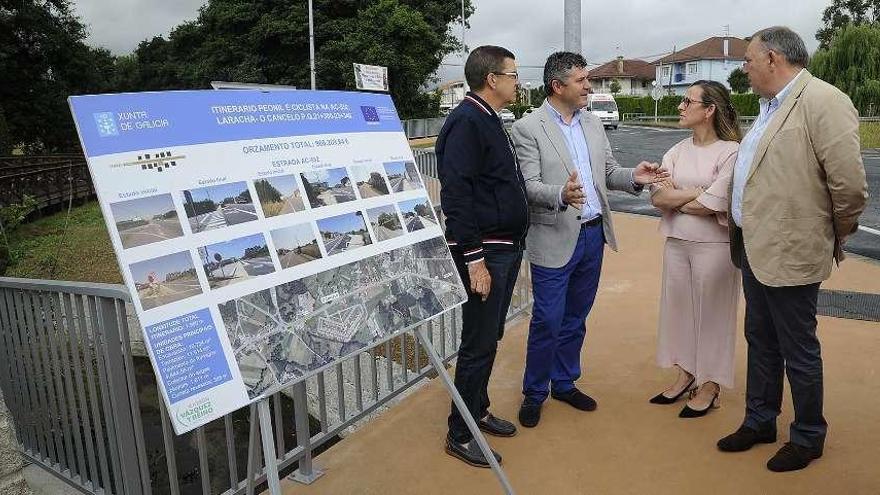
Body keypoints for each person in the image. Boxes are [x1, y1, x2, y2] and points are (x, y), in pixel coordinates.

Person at [715, 26, 868, 472]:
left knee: (797, 346)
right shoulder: (767, 107)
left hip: (793, 249)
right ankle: (760, 420)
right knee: (760, 338)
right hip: (753, 246)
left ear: (773, 59)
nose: (744, 67)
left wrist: (830, 232)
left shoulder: (824, 101)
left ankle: (807, 436)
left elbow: (850, 187)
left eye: (747, 58)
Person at [510, 51, 665, 427]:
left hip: (592, 235)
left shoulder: (593, 124)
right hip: (554, 236)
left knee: (576, 318)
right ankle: (535, 393)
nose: (588, 86)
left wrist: (635, 177)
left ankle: (564, 383)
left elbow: (608, 172)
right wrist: (560, 194)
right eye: (581, 80)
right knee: (548, 318)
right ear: (557, 85)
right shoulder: (528, 128)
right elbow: (527, 186)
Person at [436, 45, 530, 468]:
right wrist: (473, 259)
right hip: (485, 253)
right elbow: (456, 194)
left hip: (503, 248)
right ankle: (460, 432)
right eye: (512, 74)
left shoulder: (487, 117)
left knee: (489, 337)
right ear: (492, 79)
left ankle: (477, 409)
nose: (517, 80)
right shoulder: (467, 121)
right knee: (477, 343)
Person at [648, 80, 742, 418]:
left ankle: (711, 383)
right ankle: (686, 373)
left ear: (709, 109)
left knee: (714, 316)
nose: (680, 107)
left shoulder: (731, 152)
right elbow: (658, 197)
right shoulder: (676, 150)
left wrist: (682, 195)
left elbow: (716, 202)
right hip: (677, 243)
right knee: (679, 312)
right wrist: (699, 192)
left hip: (714, 247)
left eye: (688, 102)